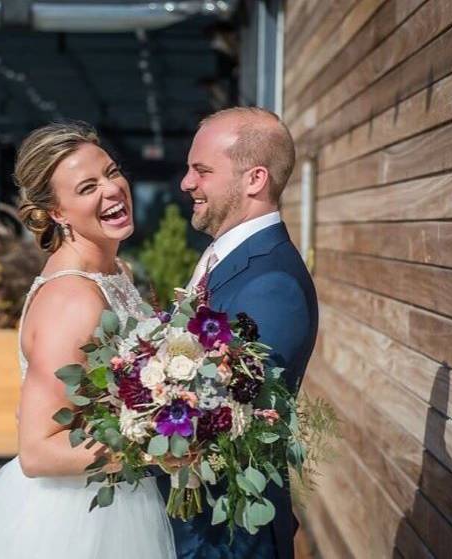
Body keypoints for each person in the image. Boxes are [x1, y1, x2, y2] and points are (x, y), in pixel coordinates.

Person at [0, 121, 176, 559]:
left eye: (112, 172)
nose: (113, 189)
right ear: (57, 212)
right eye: (87, 188)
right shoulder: (73, 299)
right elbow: (39, 452)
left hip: (122, 496)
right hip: (76, 521)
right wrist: (162, 443)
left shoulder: (116, 275)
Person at [159, 107, 319, 559]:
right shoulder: (225, 256)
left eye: (202, 170)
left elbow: (232, 422)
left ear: (254, 180)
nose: (186, 183)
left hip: (227, 536)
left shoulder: (272, 284)